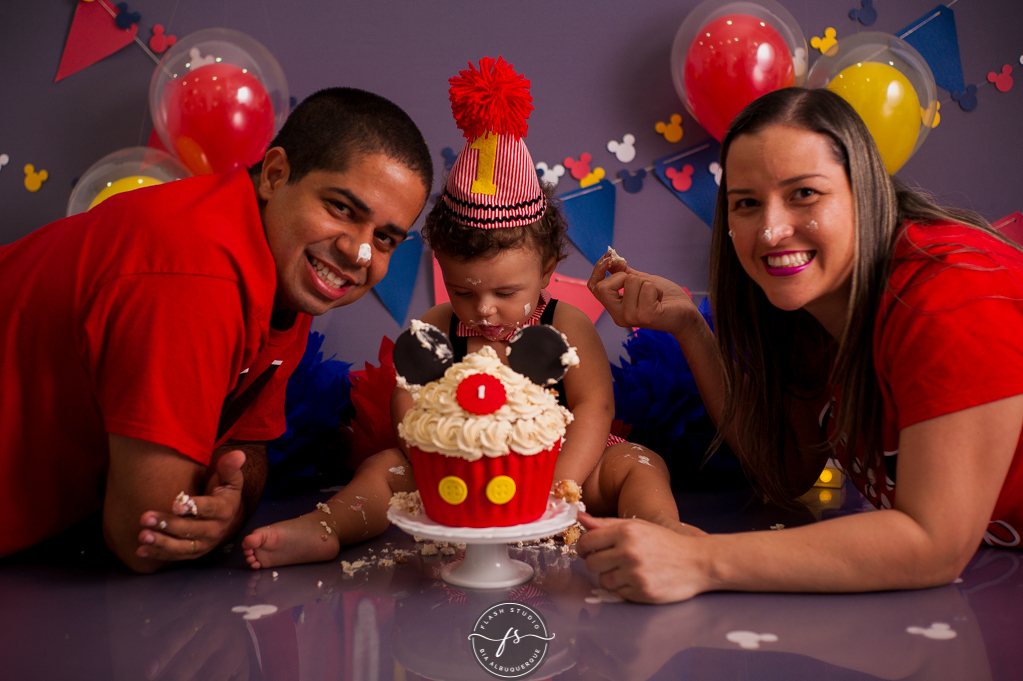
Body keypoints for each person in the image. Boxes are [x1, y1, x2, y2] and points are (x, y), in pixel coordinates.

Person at [579, 87, 1023, 603]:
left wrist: (700, 561)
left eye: (804, 193)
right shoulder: (809, 307)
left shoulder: (952, 292)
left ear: (866, 193)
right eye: (746, 203)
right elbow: (785, 468)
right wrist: (688, 327)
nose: (770, 229)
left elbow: (933, 544)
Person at [242, 58, 680, 570]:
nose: (484, 308)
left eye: (506, 290)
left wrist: (561, 486)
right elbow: (406, 395)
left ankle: (663, 531)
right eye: (463, 291)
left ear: (547, 270)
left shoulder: (563, 323)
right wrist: (429, 451)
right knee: (384, 470)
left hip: (561, 469)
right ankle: (326, 526)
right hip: (460, 475)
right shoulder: (440, 325)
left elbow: (593, 410)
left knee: (639, 464)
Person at [0, 87, 432, 573]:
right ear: (275, 175)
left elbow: (245, 442)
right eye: (341, 208)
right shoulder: (197, 275)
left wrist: (231, 502)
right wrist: (203, 515)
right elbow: (145, 534)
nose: (359, 252)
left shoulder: (282, 266)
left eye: (385, 238)